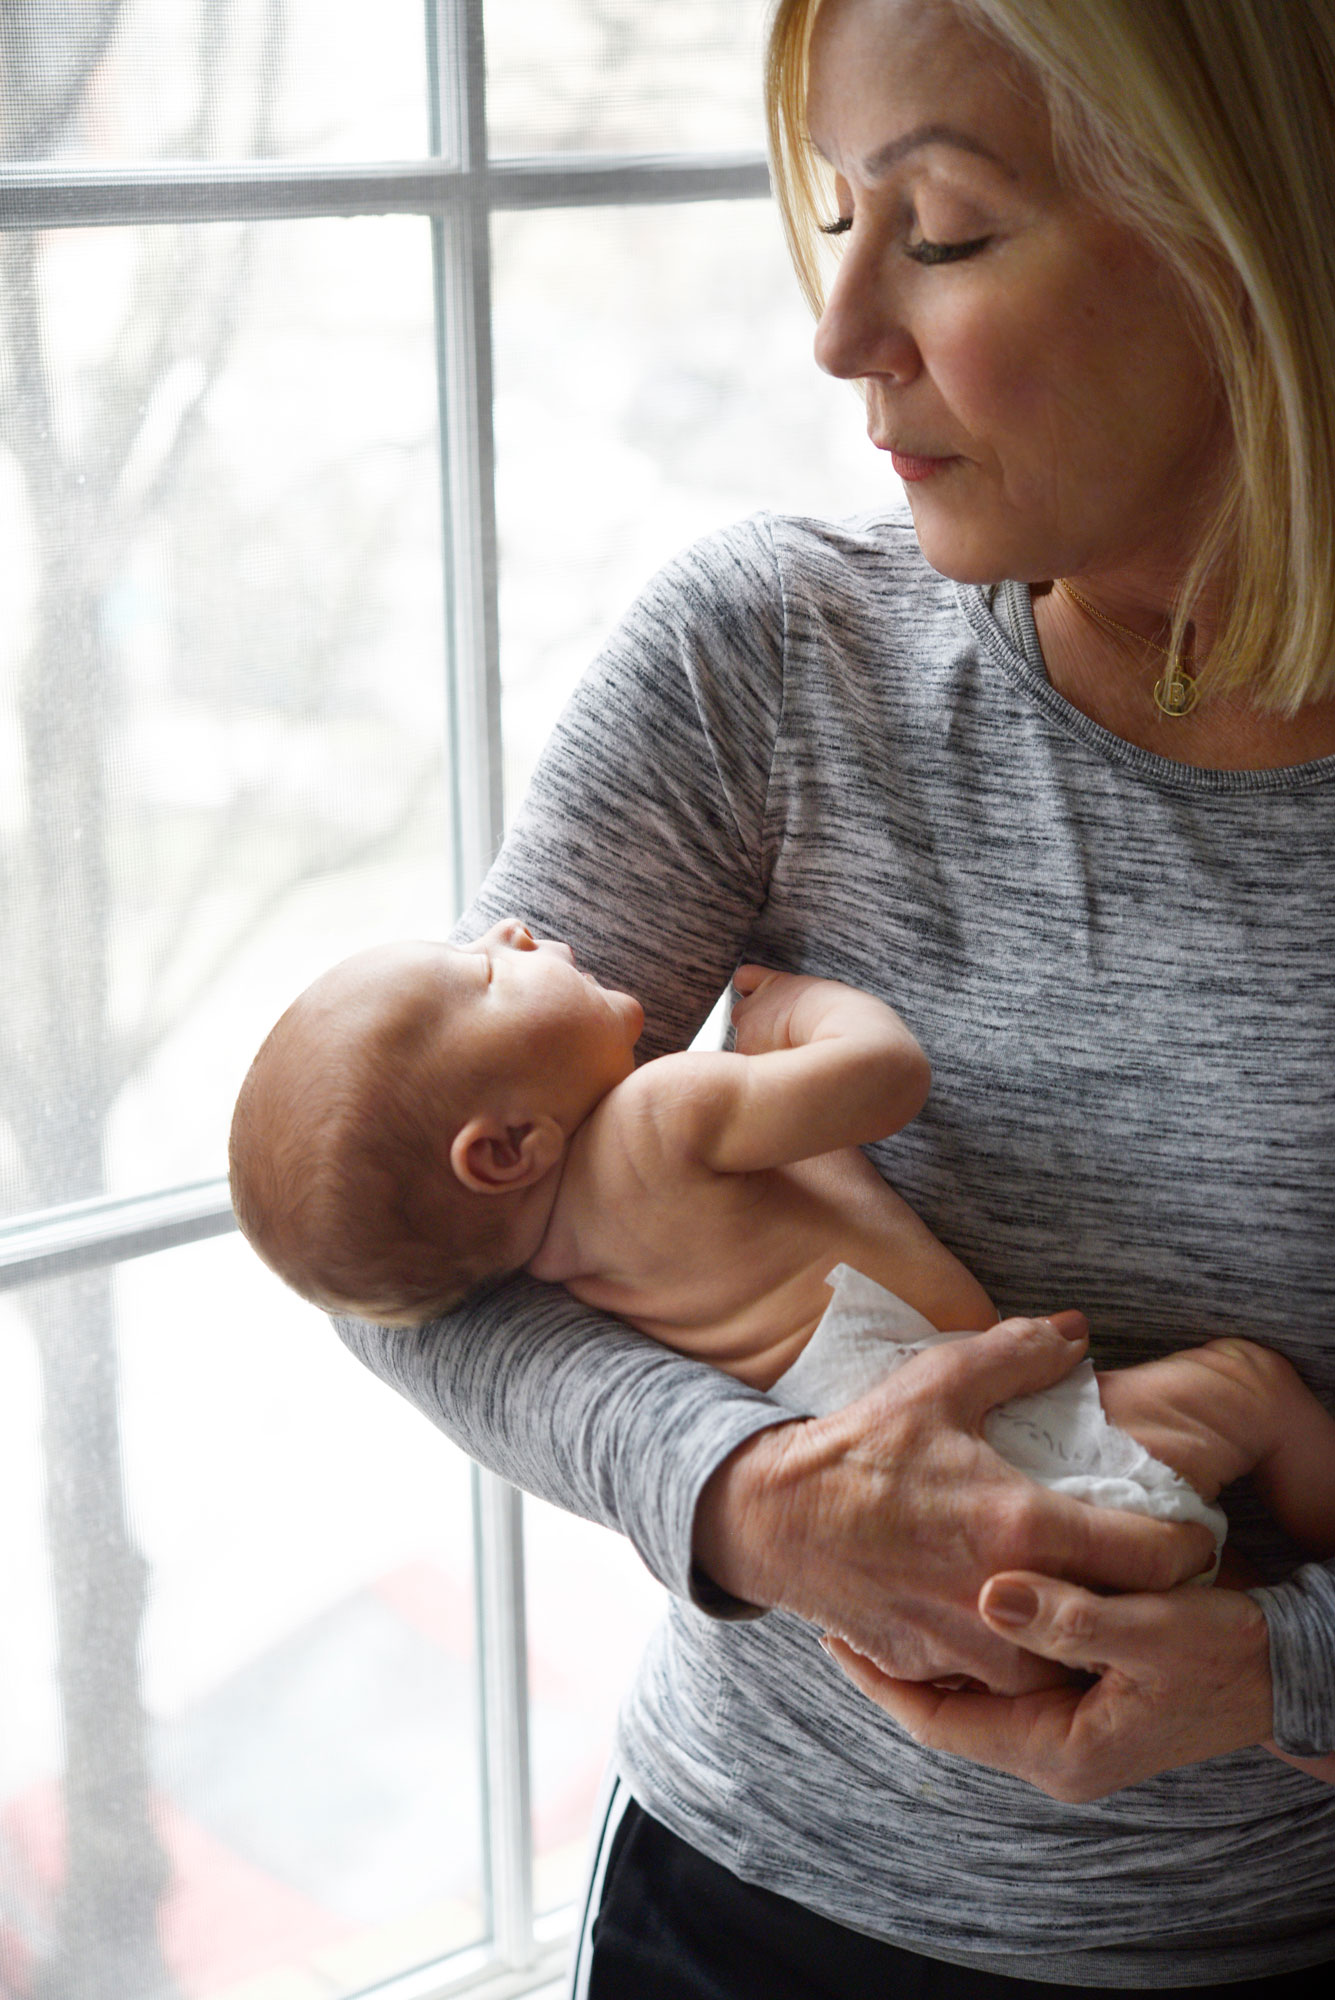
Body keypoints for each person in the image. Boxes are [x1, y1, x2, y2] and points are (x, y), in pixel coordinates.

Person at [328, 0, 1335, 1991]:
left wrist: (1272, 1662)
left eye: (943, 228)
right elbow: (407, 1252)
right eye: (833, 217)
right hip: (749, 1925)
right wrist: (753, 1501)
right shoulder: (759, 665)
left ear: (1258, 234)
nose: (839, 328)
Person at [232, 932, 1333, 1622]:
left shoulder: (560, 1270)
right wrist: (794, 1011)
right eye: (487, 969)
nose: (514, 929)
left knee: (1194, 1616)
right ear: (506, 1147)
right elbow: (886, 1077)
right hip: (1031, 1449)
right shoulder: (659, 1115)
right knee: (1251, 1390)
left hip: (929, 1557)